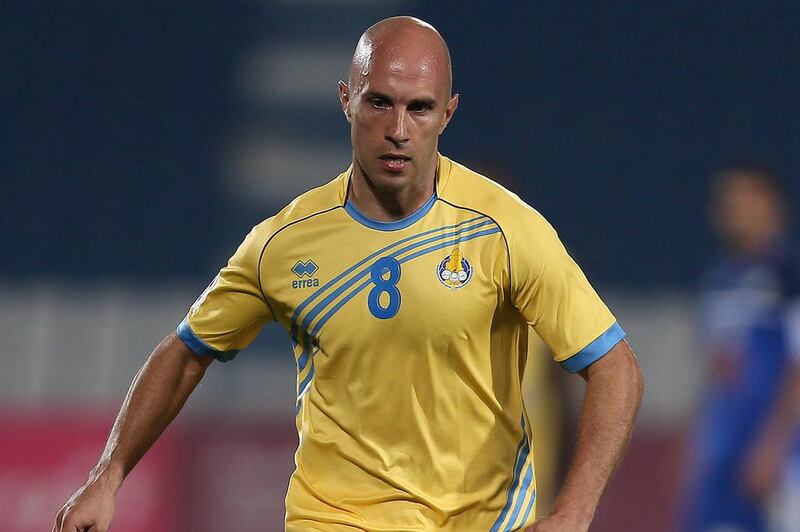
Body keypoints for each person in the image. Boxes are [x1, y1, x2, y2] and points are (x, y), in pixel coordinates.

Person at [54, 16, 643, 531]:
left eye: (420, 108)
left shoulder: (506, 229)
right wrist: (109, 475)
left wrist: (574, 512)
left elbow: (614, 367)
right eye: (379, 102)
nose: (398, 129)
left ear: (449, 113)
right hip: (332, 519)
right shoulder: (282, 243)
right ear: (346, 100)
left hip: (481, 521)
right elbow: (186, 353)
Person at [681, 164, 800, 531]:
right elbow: (718, 371)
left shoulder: (789, 272)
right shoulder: (718, 279)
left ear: (771, 204)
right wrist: (697, 442)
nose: (732, 207)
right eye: (726, 198)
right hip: (725, 450)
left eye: (744, 196)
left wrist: (774, 446)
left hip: (778, 453)